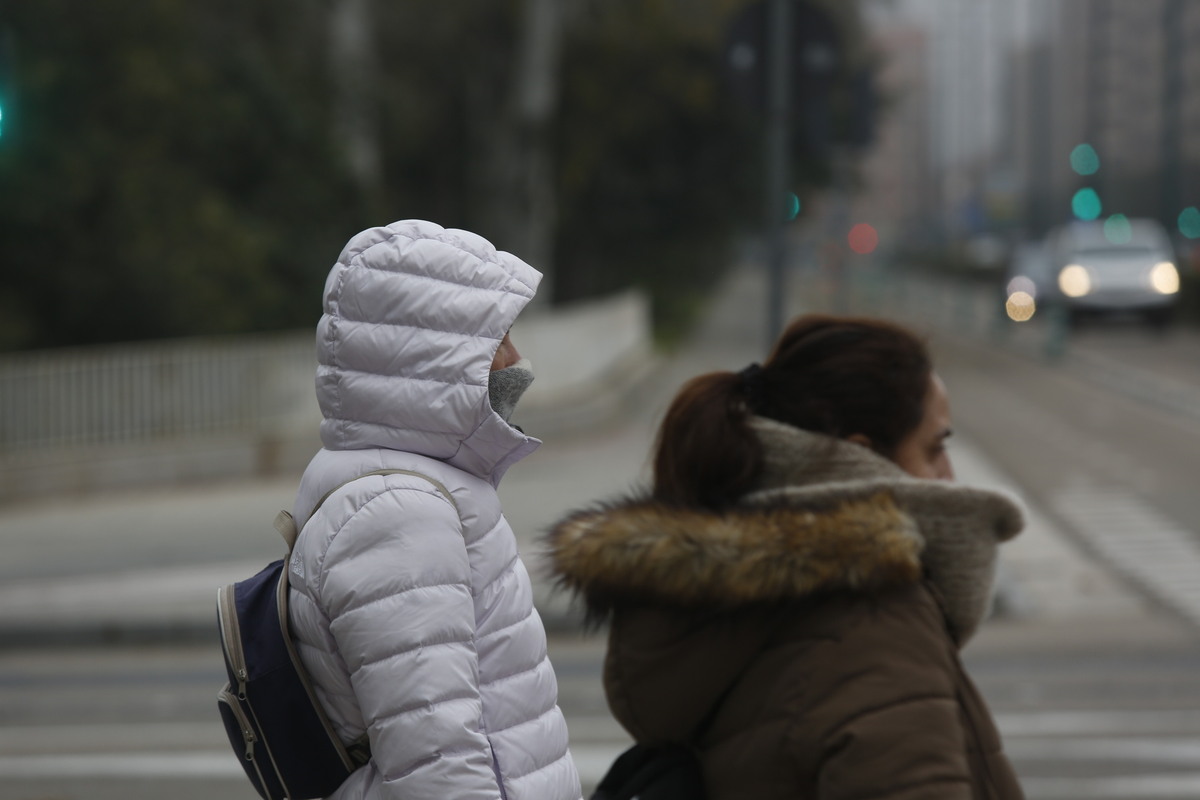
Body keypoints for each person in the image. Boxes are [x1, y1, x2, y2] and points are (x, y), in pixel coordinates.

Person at [547, 314, 1026, 799]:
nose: (948, 476)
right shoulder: (879, 622)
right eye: (933, 449)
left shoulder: (711, 614)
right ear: (860, 460)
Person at [286, 220, 582, 800]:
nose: (517, 361)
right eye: (497, 339)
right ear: (432, 357)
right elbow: (439, 767)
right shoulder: (400, 513)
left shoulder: (404, 488)